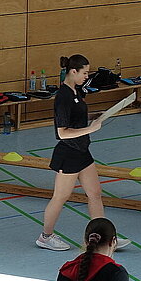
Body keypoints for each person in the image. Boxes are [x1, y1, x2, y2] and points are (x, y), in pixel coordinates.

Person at [39, 54, 130, 252]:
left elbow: (76, 117)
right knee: (60, 197)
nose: (87, 76)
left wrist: (94, 117)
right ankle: (45, 237)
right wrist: (90, 129)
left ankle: (105, 238)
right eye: (85, 73)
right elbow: (62, 132)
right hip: (68, 153)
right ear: (73, 71)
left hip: (82, 151)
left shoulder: (77, 90)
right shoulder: (63, 97)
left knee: (95, 194)